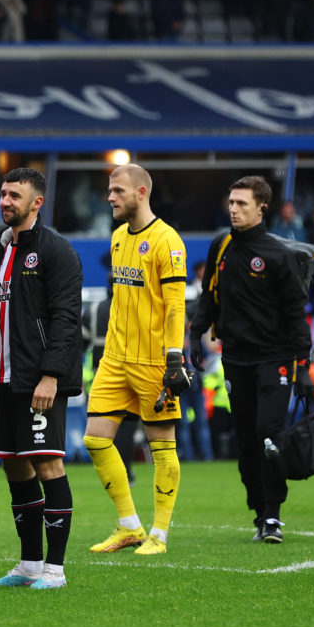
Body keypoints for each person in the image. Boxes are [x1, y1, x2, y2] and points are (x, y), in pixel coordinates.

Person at [189, 176, 313, 544]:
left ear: (262, 208)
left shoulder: (279, 255)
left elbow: (296, 313)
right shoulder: (221, 244)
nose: (233, 209)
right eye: (231, 202)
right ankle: (259, 510)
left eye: (242, 204)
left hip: (274, 358)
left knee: (269, 435)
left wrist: (303, 366)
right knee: (245, 442)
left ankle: (273, 515)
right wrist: (197, 333)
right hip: (235, 358)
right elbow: (208, 293)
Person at [0, 168, 82, 590]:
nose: (5, 202)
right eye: (2, 194)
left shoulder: (56, 251)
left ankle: (55, 569)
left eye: (14, 196)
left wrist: (51, 375)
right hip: (5, 379)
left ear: (37, 202)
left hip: (40, 380)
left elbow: (66, 320)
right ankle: (29, 564)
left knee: (48, 464)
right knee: (15, 467)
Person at [83, 163, 188, 556]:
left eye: (118, 191)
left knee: (163, 447)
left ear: (141, 193)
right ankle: (129, 526)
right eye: (110, 190)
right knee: (95, 439)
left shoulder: (167, 241)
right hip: (114, 358)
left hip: (152, 362)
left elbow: (176, 306)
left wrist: (174, 357)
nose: (110, 197)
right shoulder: (116, 237)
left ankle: (159, 534)